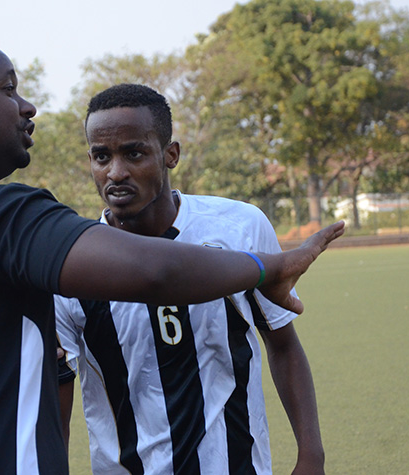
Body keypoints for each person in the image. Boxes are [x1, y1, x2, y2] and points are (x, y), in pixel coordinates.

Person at [0, 35, 344, 474]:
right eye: (8, 89)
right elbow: (156, 270)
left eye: (133, 153)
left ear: (169, 154)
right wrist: (274, 266)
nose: (27, 106)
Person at [56, 84, 325, 474]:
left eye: (134, 153)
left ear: (171, 154)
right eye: (102, 156)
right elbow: (56, 392)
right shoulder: (72, 267)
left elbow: (283, 346)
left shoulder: (239, 228)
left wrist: (311, 456)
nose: (116, 172)